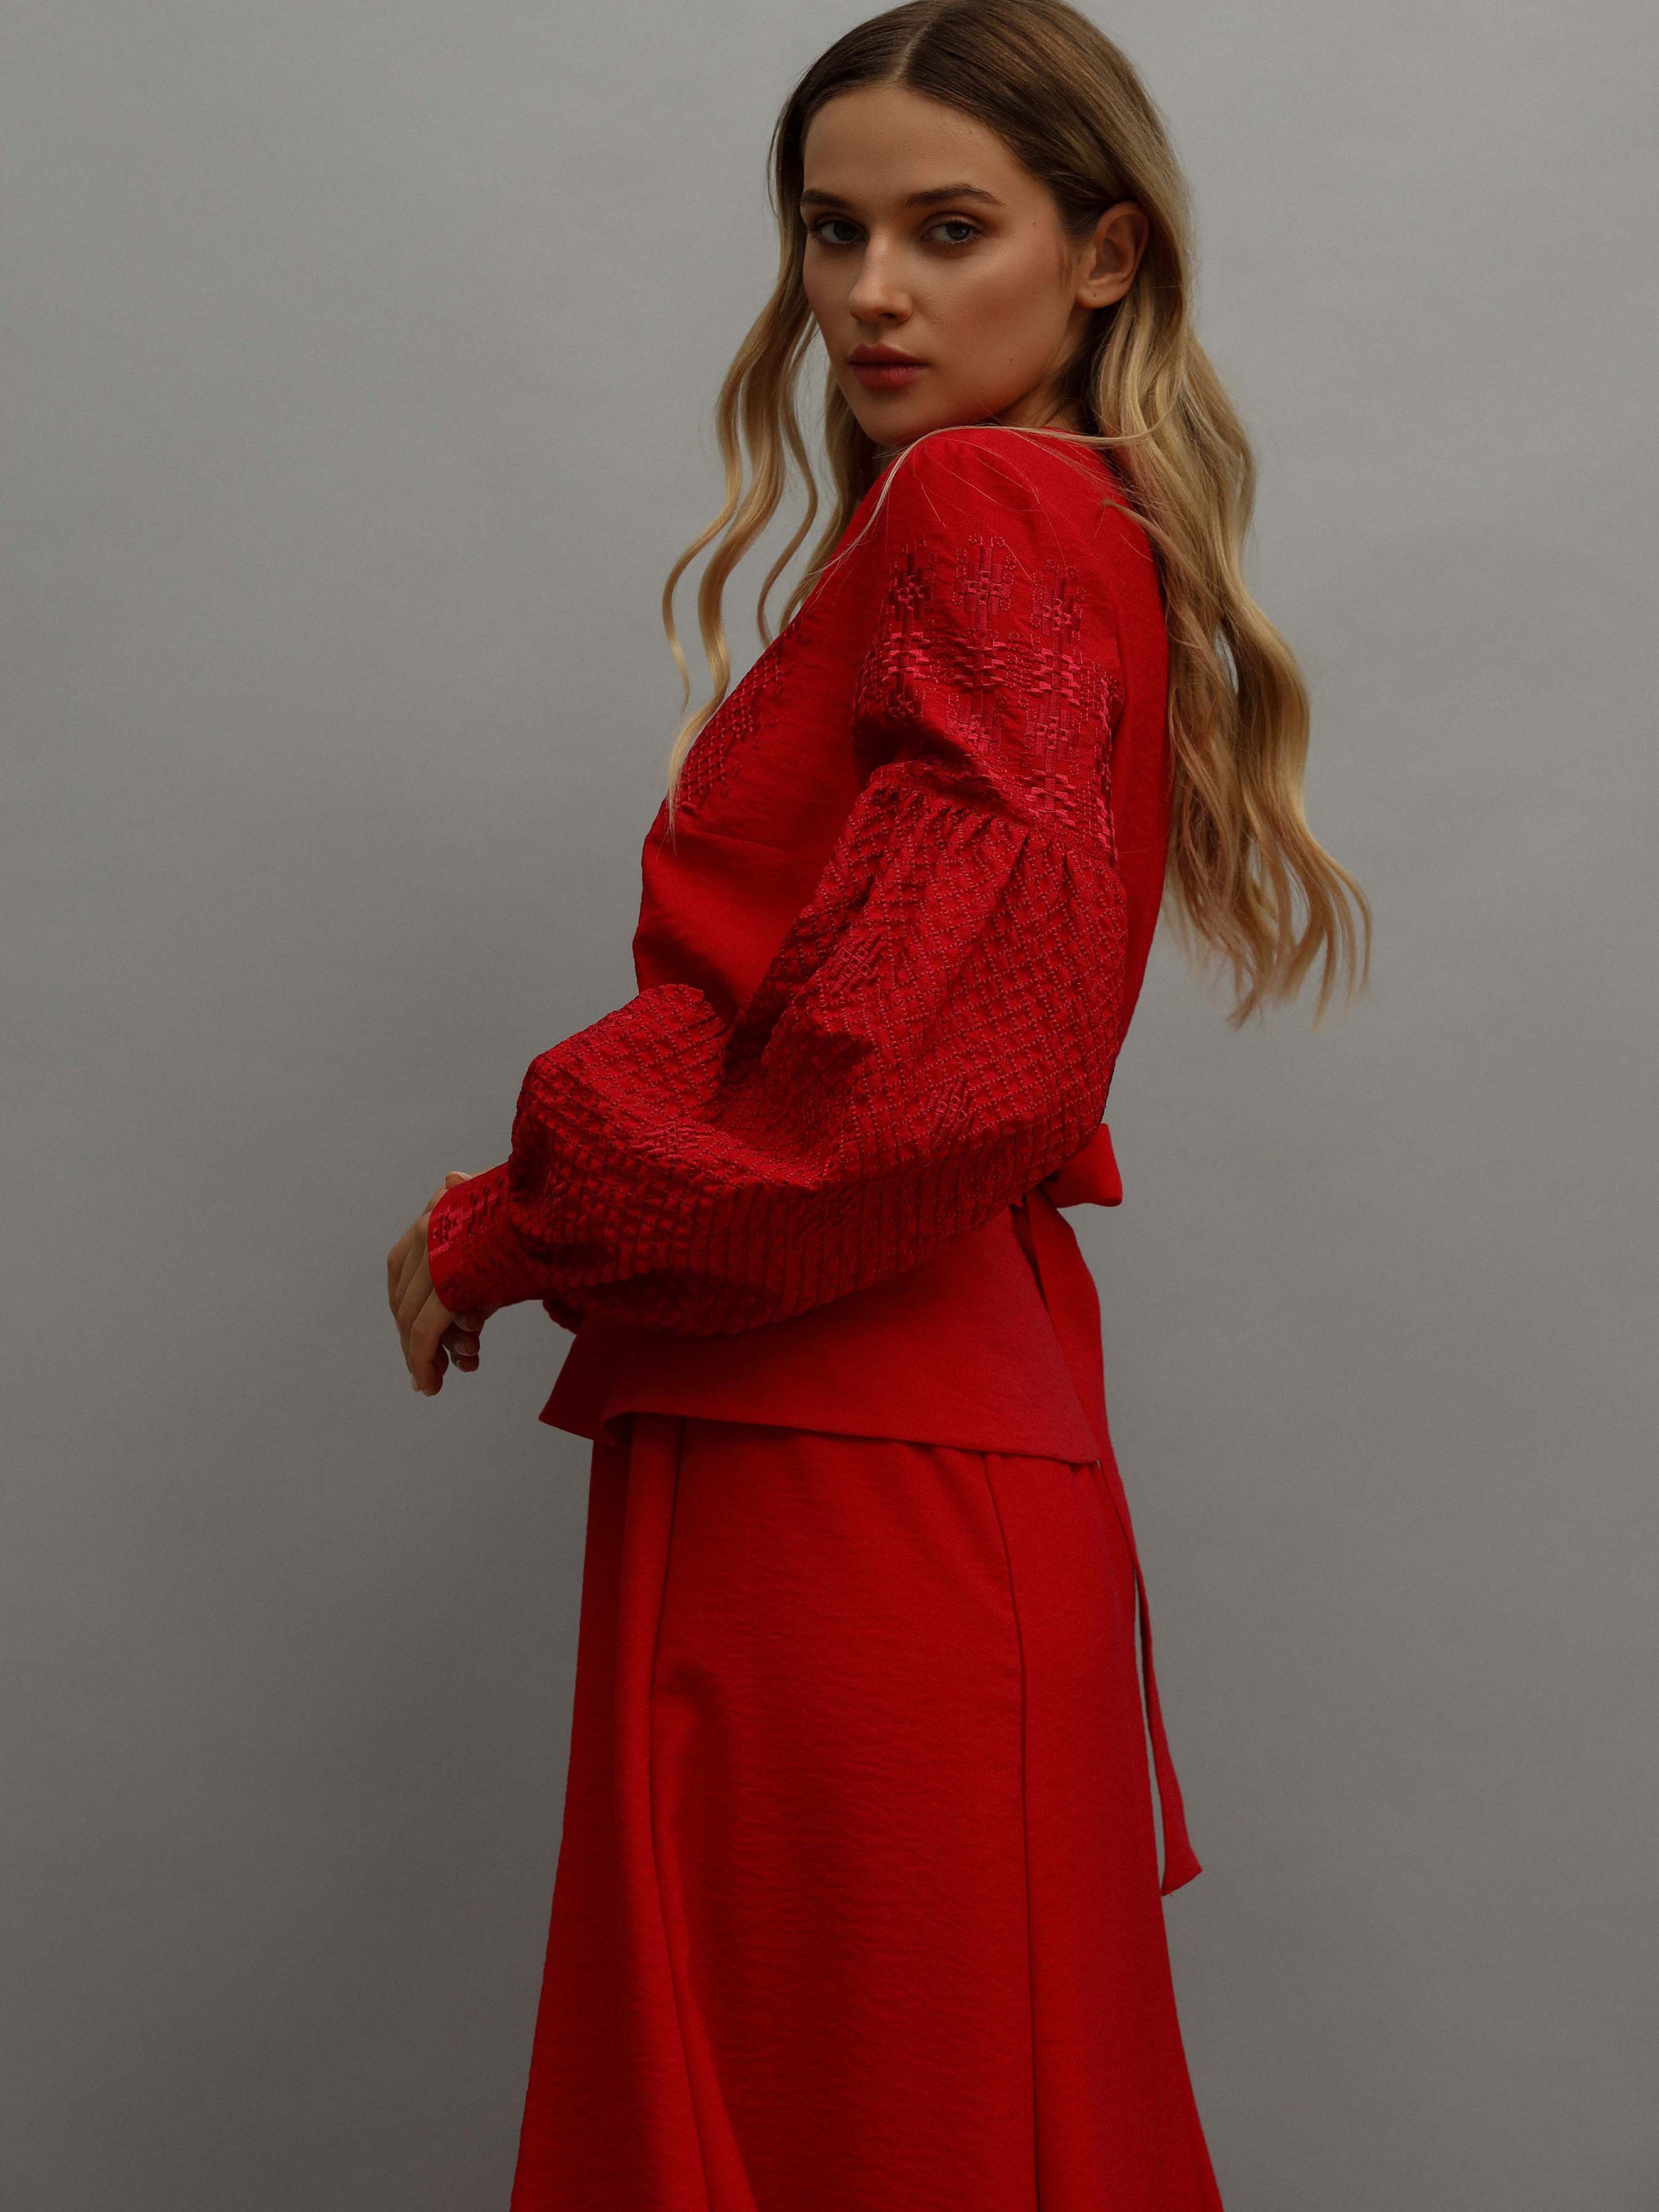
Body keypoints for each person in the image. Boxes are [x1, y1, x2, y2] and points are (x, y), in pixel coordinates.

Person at [385, 2, 1368, 2202]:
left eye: (947, 229)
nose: (870, 294)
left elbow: (911, 1072)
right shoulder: (1064, 521)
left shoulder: (980, 498)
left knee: (843, 2128)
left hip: (849, 1455)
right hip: (860, 1431)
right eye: (831, 233)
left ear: (1101, 254)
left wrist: (509, 1222)